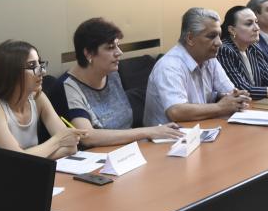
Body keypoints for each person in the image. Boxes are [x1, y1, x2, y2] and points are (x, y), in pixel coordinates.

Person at [59, 18, 184, 147]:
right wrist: (149, 131)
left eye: (117, 45)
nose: (119, 52)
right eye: (110, 48)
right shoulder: (68, 86)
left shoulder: (111, 73)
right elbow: (87, 137)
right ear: (89, 53)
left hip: (129, 150)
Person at [0, 40, 86, 159]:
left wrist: (32, 158)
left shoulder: (38, 97)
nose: (43, 71)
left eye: (40, 64)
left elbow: (71, 147)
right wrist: (57, 140)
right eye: (32, 66)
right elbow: (16, 157)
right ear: (11, 72)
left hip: (21, 169)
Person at [143, 7, 251, 126]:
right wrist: (220, 107)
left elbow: (230, 92)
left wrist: (236, 98)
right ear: (190, 38)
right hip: (170, 135)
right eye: (211, 36)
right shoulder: (169, 66)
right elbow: (176, 111)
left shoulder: (210, 60)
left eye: (219, 36)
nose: (219, 42)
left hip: (203, 128)